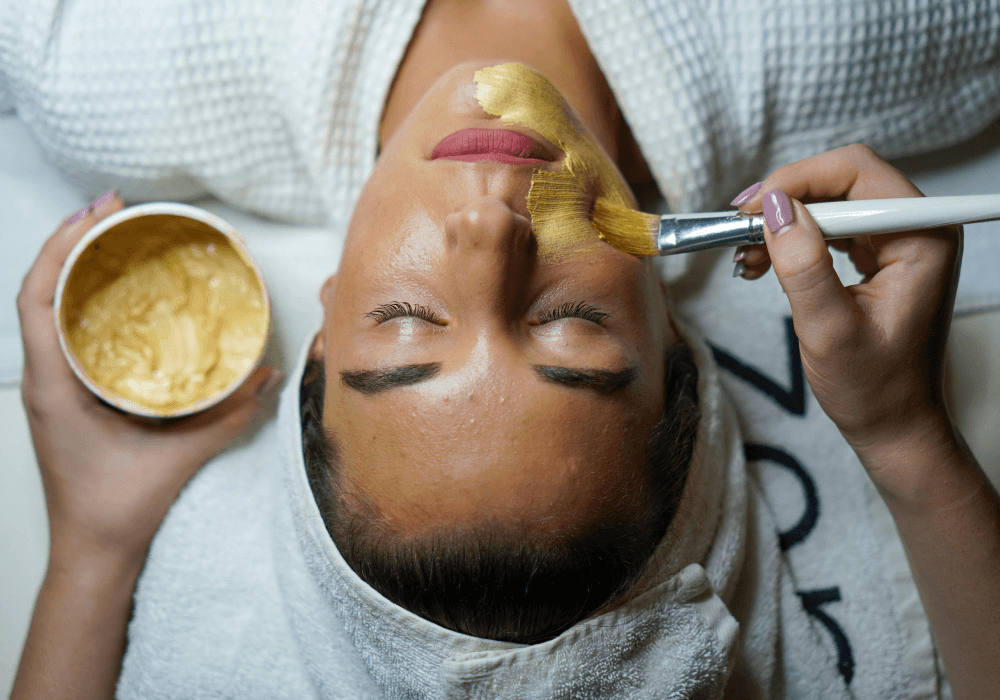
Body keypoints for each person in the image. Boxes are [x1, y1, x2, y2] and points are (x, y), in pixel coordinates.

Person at [7, 1, 1000, 698]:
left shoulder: (88, 59)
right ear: (670, 322)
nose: (490, 236)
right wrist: (903, 433)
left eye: (403, 318)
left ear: (323, 317)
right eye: (570, 321)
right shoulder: (919, 36)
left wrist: (91, 546)